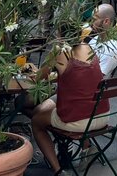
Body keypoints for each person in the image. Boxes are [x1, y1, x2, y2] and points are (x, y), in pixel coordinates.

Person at [30, 43, 109, 175]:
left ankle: (58, 170)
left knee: (36, 121)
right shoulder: (89, 48)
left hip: (79, 121)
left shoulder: (60, 51)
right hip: (102, 115)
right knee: (42, 109)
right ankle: (83, 147)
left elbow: (40, 77)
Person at [89, 3, 117, 77]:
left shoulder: (110, 49)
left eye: (94, 19)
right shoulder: (95, 39)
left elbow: (98, 76)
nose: (91, 23)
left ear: (106, 21)